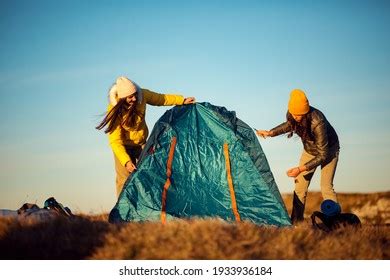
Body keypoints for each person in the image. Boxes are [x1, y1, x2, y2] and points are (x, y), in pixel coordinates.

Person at [96, 76, 195, 196]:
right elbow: (115, 141)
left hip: (141, 143)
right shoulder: (114, 110)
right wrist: (126, 162)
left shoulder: (142, 94)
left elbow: (161, 98)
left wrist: (181, 100)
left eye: (135, 94)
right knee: (124, 179)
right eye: (130, 97)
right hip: (123, 148)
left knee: (150, 171)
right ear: (122, 98)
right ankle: (122, 212)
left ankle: (150, 207)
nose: (134, 98)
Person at [255, 89, 340, 224]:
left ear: (306, 111)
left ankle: (336, 223)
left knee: (326, 186)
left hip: (329, 151)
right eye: (294, 114)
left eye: (299, 114)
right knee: (300, 187)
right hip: (309, 151)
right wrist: (270, 133)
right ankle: (296, 223)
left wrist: (300, 169)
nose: (296, 117)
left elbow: (322, 154)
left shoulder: (318, 121)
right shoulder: (292, 114)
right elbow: (289, 125)